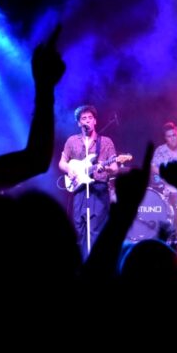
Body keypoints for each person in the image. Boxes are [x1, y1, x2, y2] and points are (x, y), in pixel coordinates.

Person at [59, 105, 119, 259]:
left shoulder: (105, 142)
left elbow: (114, 167)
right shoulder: (72, 141)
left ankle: (95, 264)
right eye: (83, 118)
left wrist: (105, 168)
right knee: (78, 229)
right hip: (79, 189)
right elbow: (62, 162)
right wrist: (69, 169)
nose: (87, 121)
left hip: (98, 190)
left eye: (90, 118)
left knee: (95, 231)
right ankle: (80, 264)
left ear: (95, 121)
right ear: (79, 123)